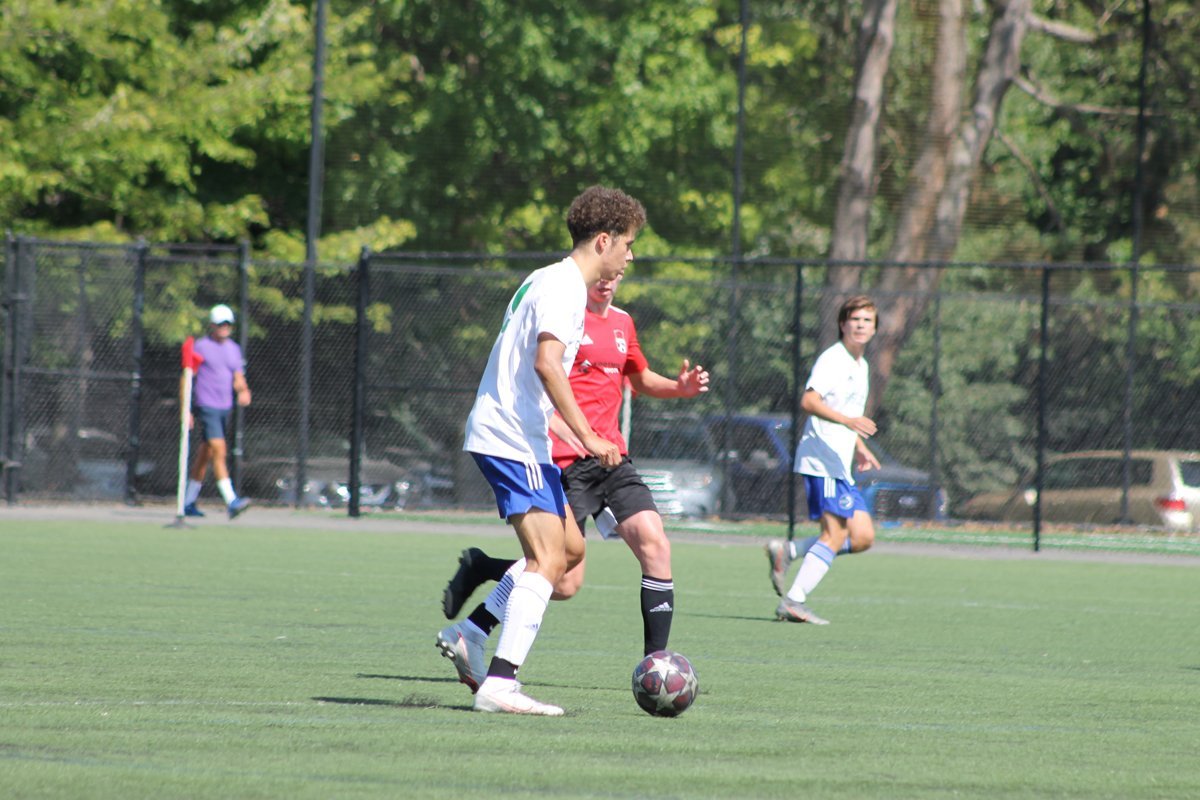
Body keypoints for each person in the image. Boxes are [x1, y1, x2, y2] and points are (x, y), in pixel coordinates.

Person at [436, 272, 709, 687]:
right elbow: (540, 382)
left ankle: (656, 669)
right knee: (562, 580)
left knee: (656, 543)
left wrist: (678, 387)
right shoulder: (563, 317)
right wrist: (574, 434)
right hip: (563, 462)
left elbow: (639, 377)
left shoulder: (622, 323)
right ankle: (478, 612)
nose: (608, 282)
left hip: (611, 457)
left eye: (616, 275)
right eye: (602, 274)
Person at [442, 185, 646, 716]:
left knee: (571, 553)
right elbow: (547, 365)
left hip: (522, 438)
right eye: (627, 243)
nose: (630, 254)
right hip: (510, 438)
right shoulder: (564, 288)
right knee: (547, 557)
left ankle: (471, 631)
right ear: (603, 240)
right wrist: (589, 436)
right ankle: (500, 685)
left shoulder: (547, 278)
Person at [765, 295, 880, 625]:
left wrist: (857, 444)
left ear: (874, 329)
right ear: (843, 324)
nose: (860, 325)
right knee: (834, 534)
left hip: (839, 461)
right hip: (822, 459)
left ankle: (790, 551)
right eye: (854, 319)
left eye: (867, 321)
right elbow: (809, 400)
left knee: (861, 537)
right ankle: (793, 601)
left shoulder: (861, 365)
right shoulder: (834, 360)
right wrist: (849, 423)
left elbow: (844, 411)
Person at [180, 304, 252, 520]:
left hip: (224, 408)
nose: (224, 328)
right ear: (212, 325)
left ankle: (188, 502)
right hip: (207, 406)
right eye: (220, 324)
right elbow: (186, 377)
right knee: (219, 450)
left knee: (206, 454)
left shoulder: (233, 349)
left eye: (227, 324)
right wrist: (186, 409)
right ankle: (232, 501)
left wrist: (244, 390)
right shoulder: (201, 347)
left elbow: (237, 376)